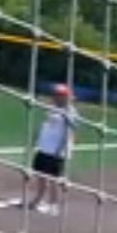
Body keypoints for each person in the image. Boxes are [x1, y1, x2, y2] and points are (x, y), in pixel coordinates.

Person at [24, 83, 78, 216]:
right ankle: (38, 199)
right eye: (55, 94)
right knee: (40, 175)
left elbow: (71, 130)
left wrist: (60, 149)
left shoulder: (70, 111)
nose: (55, 96)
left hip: (56, 151)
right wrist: (34, 140)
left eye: (59, 95)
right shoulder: (51, 108)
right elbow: (44, 125)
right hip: (44, 148)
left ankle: (54, 205)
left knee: (54, 179)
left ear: (67, 97)